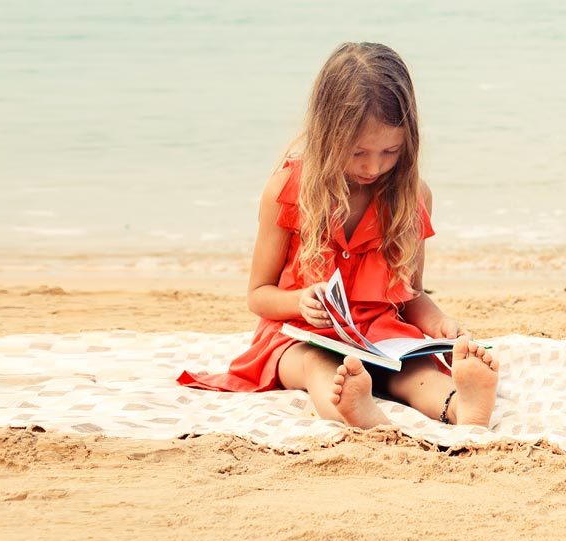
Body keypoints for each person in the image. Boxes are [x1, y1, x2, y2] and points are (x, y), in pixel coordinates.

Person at [177, 42, 499, 429]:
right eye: (358, 152)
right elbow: (258, 296)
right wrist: (300, 302)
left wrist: (440, 324)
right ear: (328, 135)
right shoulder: (288, 189)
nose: (374, 166)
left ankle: (464, 409)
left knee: (413, 372)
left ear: (408, 140)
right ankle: (357, 409)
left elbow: (411, 296)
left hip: (381, 336)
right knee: (319, 367)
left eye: (390, 151)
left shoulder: (412, 196)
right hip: (301, 336)